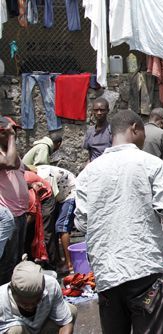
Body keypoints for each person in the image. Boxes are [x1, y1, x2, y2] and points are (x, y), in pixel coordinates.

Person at [74, 110, 163, 333]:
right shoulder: (150, 163)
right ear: (134, 128)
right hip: (144, 272)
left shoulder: (88, 172)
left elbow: (82, 224)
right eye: (144, 133)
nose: (144, 140)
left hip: (107, 273)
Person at [0, 259, 76, 333]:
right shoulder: (2, 300)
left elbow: (66, 323)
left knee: (70, 311)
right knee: (15, 330)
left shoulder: (51, 285)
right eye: (25, 304)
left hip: (43, 327)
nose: (30, 307)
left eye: (36, 301)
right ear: (13, 293)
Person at [0, 117, 29, 285]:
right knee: (6, 262)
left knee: (17, 258)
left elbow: (20, 172)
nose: (14, 135)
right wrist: (11, 137)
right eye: (9, 132)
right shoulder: (6, 155)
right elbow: (10, 164)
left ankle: (15, 294)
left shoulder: (12, 151)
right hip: (7, 216)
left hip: (20, 214)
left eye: (15, 131)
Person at [36, 165, 77, 273]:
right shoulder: (36, 173)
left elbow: (50, 199)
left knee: (61, 226)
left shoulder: (44, 177)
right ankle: (61, 260)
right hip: (60, 195)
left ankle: (70, 265)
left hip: (70, 193)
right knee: (53, 226)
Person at [83, 97, 112, 162]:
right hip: (93, 168)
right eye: (96, 110)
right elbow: (90, 155)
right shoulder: (90, 132)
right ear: (93, 111)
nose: (99, 113)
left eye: (102, 110)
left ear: (107, 111)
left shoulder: (111, 131)